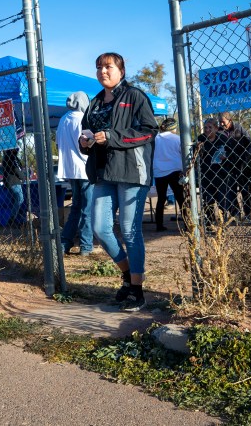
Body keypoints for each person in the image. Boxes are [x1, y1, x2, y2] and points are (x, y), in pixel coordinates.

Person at [80, 52, 158, 312]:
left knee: (129, 230)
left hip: (131, 172)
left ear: (121, 71)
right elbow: (88, 135)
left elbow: (148, 131)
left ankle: (137, 290)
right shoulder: (94, 103)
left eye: (109, 66)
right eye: (99, 67)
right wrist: (85, 142)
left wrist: (112, 136)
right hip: (103, 172)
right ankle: (127, 274)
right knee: (100, 228)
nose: (103, 71)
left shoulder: (134, 96)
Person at [56, 91, 93, 256]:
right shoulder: (83, 118)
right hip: (85, 169)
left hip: (70, 169)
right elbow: (91, 143)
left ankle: (65, 243)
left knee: (76, 208)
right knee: (88, 209)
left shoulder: (63, 119)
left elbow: (58, 142)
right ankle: (86, 246)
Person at [152, 117, 185, 232]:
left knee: (161, 198)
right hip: (175, 170)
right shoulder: (178, 139)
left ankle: (159, 225)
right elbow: (183, 153)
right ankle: (187, 224)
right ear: (174, 128)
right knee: (180, 197)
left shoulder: (155, 139)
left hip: (159, 171)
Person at [218, 113, 251, 219]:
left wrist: (245, 156)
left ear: (230, 120)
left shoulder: (238, 128)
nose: (221, 124)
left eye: (223, 121)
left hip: (241, 163)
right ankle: (236, 214)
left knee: (245, 190)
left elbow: (250, 143)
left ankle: (248, 214)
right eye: (219, 121)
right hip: (227, 165)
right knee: (231, 190)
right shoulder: (219, 132)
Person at [197, 117, 230, 224]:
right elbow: (194, 154)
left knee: (222, 201)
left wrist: (226, 157)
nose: (207, 129)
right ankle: (209, 223)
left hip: (220, 175)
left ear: (216, 128)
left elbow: (231, 153)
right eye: (205, 127)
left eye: (210, 127)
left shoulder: (222, 139)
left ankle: (222, 223)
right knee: (207, 201)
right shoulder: (201, 139)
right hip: (206, 175)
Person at [1, 147, 25, 223]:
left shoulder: (7, 157)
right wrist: (23, 177)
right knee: (20, 199)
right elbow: (16, 169)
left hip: (10, 182)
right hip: (14, 182)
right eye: (16, 149)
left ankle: (16, 217)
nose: (17, 150)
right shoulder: (11, 157)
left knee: (15, 200)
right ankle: (12, 218)